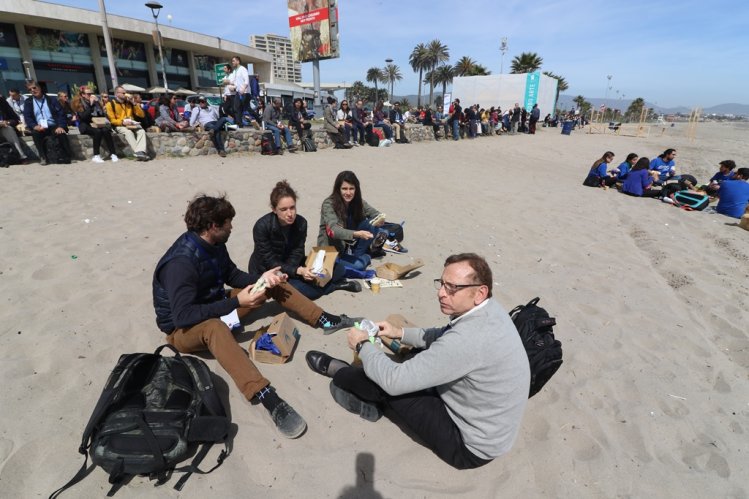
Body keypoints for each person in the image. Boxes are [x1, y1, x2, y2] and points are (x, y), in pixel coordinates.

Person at [152, 194, 359, 438]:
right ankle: (264, 395)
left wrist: (262, 280)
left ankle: (324, 320)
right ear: (212, 226)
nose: (232, 226)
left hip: (213, 302)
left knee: (269, 282)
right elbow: (183, 316)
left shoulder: (215, 244)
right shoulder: (181, 263)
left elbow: (232, 274)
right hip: (183, 331)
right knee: (214, 328)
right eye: (228, 222)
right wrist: (236, 301)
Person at [304, 253, 530, 469]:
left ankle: (341, 372)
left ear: (480, 292)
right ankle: (368, 391)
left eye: (452, 288)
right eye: (441, 284)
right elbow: (443, 334)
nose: (441, 293)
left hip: (467, 444)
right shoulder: (489, 311)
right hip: (490, 427)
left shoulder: (468, 339)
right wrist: (399, 333)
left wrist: (362, 346)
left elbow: (394, 381)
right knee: (411, 360)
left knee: (389, 383)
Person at [249, 180, 361, 300]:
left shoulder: (301, 223)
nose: (290, 213)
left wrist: (299, 271)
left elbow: (297, 252)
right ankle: (334, 286)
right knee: (306, 292)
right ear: (274, 209)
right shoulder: (262, 226)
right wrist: (298, 271)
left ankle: (316, 283)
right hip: (268, 271)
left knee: (338, 268)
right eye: (284, 209)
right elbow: (270, 261)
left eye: (292, 207)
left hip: (291, 264)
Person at [317, 171, 397, 271]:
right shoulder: (328, 204)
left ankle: (358, 253)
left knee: (373, 224)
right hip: (333, 248)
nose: (348, 193)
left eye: (351, 189)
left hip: (350, 240)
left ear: (356, 189)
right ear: (338, 189)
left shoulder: (357, 201)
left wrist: (380, 220)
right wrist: (357, 234)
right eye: (344, 189)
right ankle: (367, 255)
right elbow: (334, 231)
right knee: (359, 265)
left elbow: (375, 213)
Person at [22, 80, 72, 165]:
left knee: (61, 133)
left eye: (34, 88)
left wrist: (61, 126)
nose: (33, 90)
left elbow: (61, 114)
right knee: (35, 133)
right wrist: (34, 126)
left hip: (53, 125)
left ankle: (68, 156)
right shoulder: (28, 102)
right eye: (30, 90)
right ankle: (43, 157)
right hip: (40, 127)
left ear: (40, 88)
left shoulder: (51, 99)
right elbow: (27, 117)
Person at [71, 86, 117, 163]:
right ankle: (96, 155)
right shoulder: (79, 103)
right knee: (98, 132)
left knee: (105, 130)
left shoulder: (96, 102)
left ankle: (113, 154)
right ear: (83, 95)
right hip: (85, 125)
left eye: (91, 93)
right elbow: (83, 117)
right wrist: (91, 105)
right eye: (88, 94)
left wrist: (98, 103)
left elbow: (101, 115)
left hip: (97, 123)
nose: (90, 95)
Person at [105, 85, 149, 161]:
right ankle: (139, 153)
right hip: (120, 125)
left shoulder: (130, 103)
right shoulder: (110, 104)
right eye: (123, 93)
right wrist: (122, 122)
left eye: (125, 93)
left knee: (141, 131)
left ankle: (140, 152)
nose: (125, 94)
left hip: (131, 124)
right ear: (117, 94)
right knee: (128, 132)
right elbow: (112, 120)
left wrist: (134, 103)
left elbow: (141, 115)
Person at [0, 95, 29, 163]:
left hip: (3, 128)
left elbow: (15, 119)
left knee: (9, 129)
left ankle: (22, 156)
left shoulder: (3, 102)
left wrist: (7, 122)